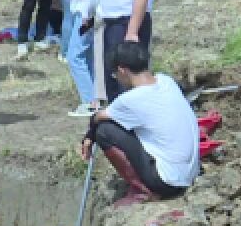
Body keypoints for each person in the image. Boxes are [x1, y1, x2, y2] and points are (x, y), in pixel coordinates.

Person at [79, 41, 200, 207]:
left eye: (115, 74)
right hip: (189, 175)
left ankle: (143, 190)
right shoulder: (166, 81)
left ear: (122, 70)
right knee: (120, 124)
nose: (117, 79)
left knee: (104, 131)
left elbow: (98, 118)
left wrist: (89, 136)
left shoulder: (130, 100)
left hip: (167, 182)